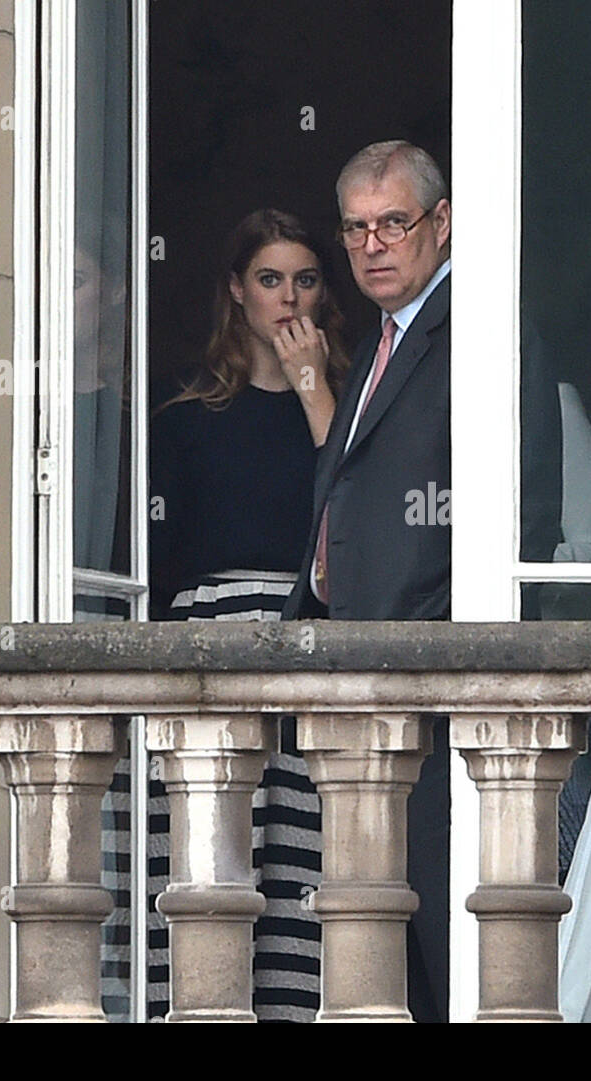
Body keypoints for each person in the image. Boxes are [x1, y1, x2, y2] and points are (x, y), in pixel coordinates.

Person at [149, 208, 351, 1022]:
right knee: (213, 854)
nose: (288, 298)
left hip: (301, 638)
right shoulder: (187, 412)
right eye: (270, 279)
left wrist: (312, 385)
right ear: (238, 290)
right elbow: (162, 562)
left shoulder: (344, 395)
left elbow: (352, 500)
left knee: (299, 856)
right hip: (211, 639)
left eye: (305, 279)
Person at [282, 140, 452, 1023]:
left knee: (450, 951)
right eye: (356, 229)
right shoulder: (385, 339)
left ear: (442, 221)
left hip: (436, 691)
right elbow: (350, 486)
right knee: (384, 967)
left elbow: (518, 514)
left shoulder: (477, 327)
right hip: (359, 684)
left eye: (394, 222)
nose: (374, 244)